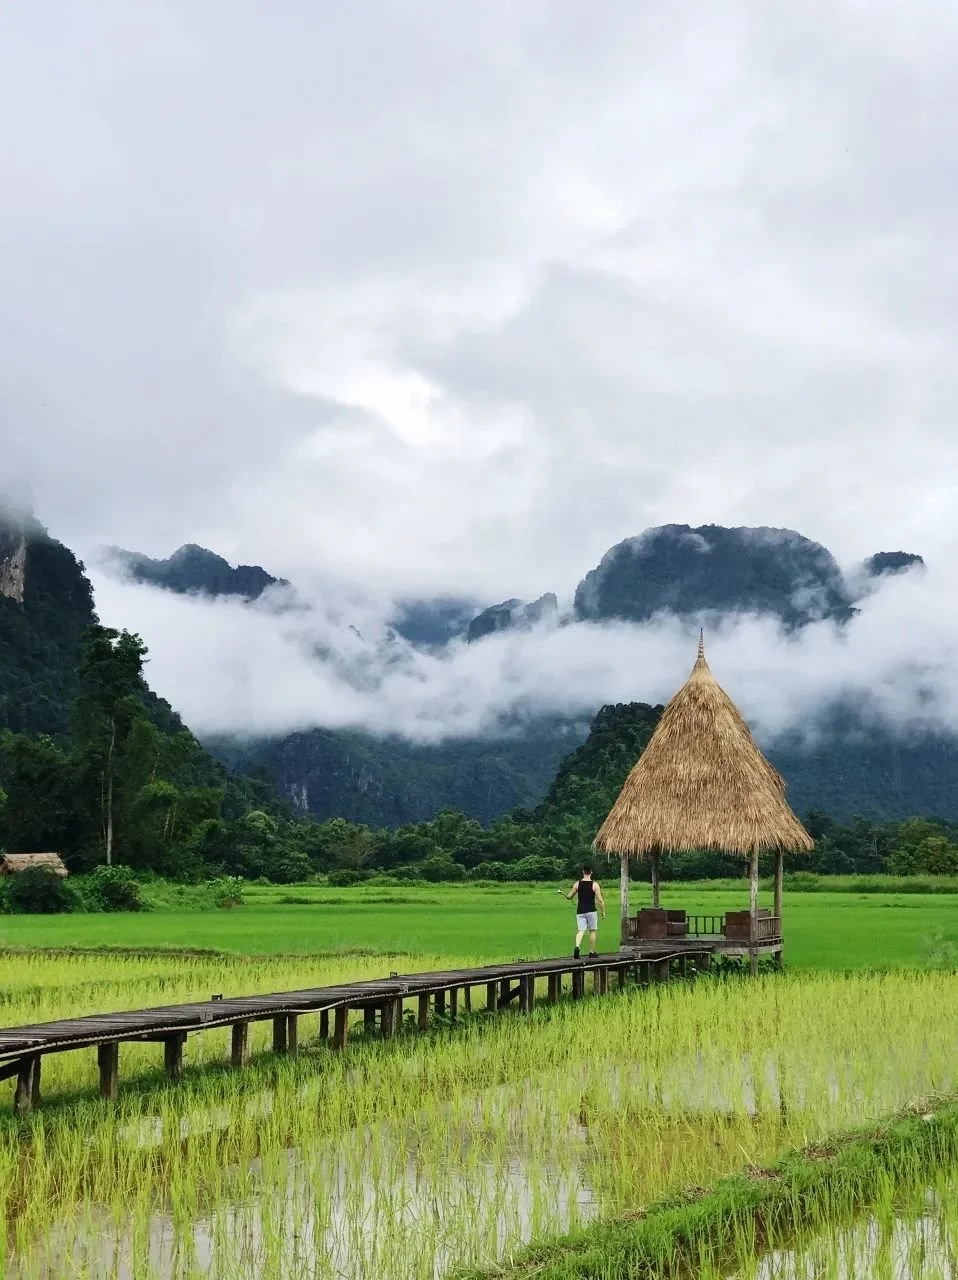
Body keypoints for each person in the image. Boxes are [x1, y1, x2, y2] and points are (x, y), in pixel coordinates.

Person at [565, 865, 606, 958]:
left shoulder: (577, 884)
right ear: (591, 872)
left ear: (583, 872)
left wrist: (567, 897)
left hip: (580, 911)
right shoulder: (595, 885)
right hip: (591, 910)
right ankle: (591, 952)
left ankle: (577, 946)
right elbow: (600, 900)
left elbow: (569, 896)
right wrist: (603, 912)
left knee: (581, 930)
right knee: (592, 931)